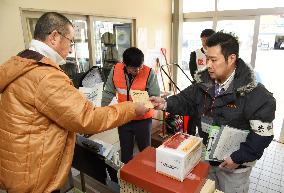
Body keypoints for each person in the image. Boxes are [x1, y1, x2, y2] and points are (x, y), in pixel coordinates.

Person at [0, 12, 149, 193]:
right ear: (54, 36)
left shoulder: (21, 61)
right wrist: (132, 108)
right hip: (35, 177)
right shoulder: (45, 76)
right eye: (71, 41)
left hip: (19, 166)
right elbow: (88, 119)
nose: (71, 49)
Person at [150, 31, 276, 193]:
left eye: (213, 60)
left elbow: (262, 135)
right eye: (207, 58)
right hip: (208, 157)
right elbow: (186, 100)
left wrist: (239, 158)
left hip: (235, 167)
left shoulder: (256, 94)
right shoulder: (204, 83)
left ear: (231, 58)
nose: (208, 64)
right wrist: (165, 103)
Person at [101, 47, 160, 164]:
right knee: (126, 153)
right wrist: (101, 110)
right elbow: (108, 92)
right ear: (125, 64)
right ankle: (126, 180)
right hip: (124, 118)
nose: (138, 71)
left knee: (145, 152)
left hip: (143, 120)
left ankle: (145, 178)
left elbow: (155, 97)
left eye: (140, 67)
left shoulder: (149, 73)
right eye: (134, 69)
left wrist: (146, 107)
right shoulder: (115, 70)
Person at [187, 29, 215, 136]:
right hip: (198, 89)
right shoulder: (195, 54)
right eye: (202, 40)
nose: (204, 43)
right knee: (193, 114)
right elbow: (193, 73)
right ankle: (190, 136)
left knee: (207, 117)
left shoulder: (219, 55)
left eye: (207, 40)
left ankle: (206, 137)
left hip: (212, 92)